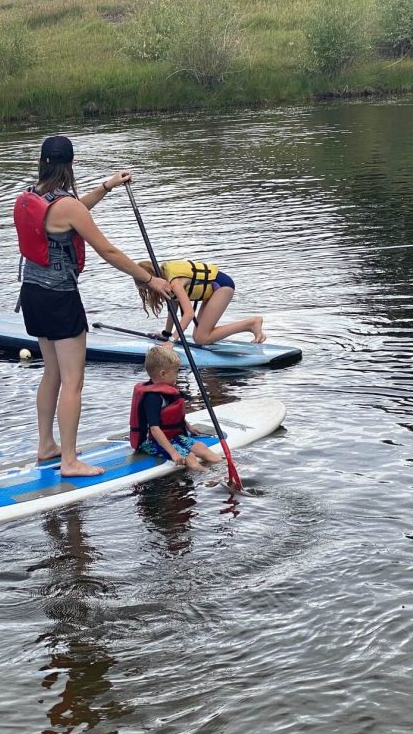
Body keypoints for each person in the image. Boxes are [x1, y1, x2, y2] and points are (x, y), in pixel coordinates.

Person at [15, 134, 172, 477]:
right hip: (59, 298)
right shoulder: (66, 204)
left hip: (32, 293)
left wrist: (108, 185)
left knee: (53, 373)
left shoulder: (34, 193)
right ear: (70, 163)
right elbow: (108, 251)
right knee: (73, 381)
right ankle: (69, 461)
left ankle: (47, 446)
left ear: (43, 161)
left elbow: (73, 212)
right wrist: (150, 280)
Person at [129, 345, 221, 470]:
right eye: (175, 372)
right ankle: (212, 476)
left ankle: (229, 468)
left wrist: (188, 426)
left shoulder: (167, 391)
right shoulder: (152, 397)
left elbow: (170, 415)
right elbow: (155, 429)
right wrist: (173, 452)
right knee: (190, 458)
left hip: (173, 437)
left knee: (202, 448)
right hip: (151, 442)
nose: (177, 376)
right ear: (163, 374)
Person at [133, 259, 266, 344]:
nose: (149, 292)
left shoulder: (175, 283)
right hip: (212, 290)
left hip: (222, 287)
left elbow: (189, 313)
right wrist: (166, 334)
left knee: (201, 338)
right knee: (199, 337)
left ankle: (251, 323)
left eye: (147, 288)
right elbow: (173, 307)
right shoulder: (166, 279)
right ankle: (249, 325)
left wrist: (172, 341)